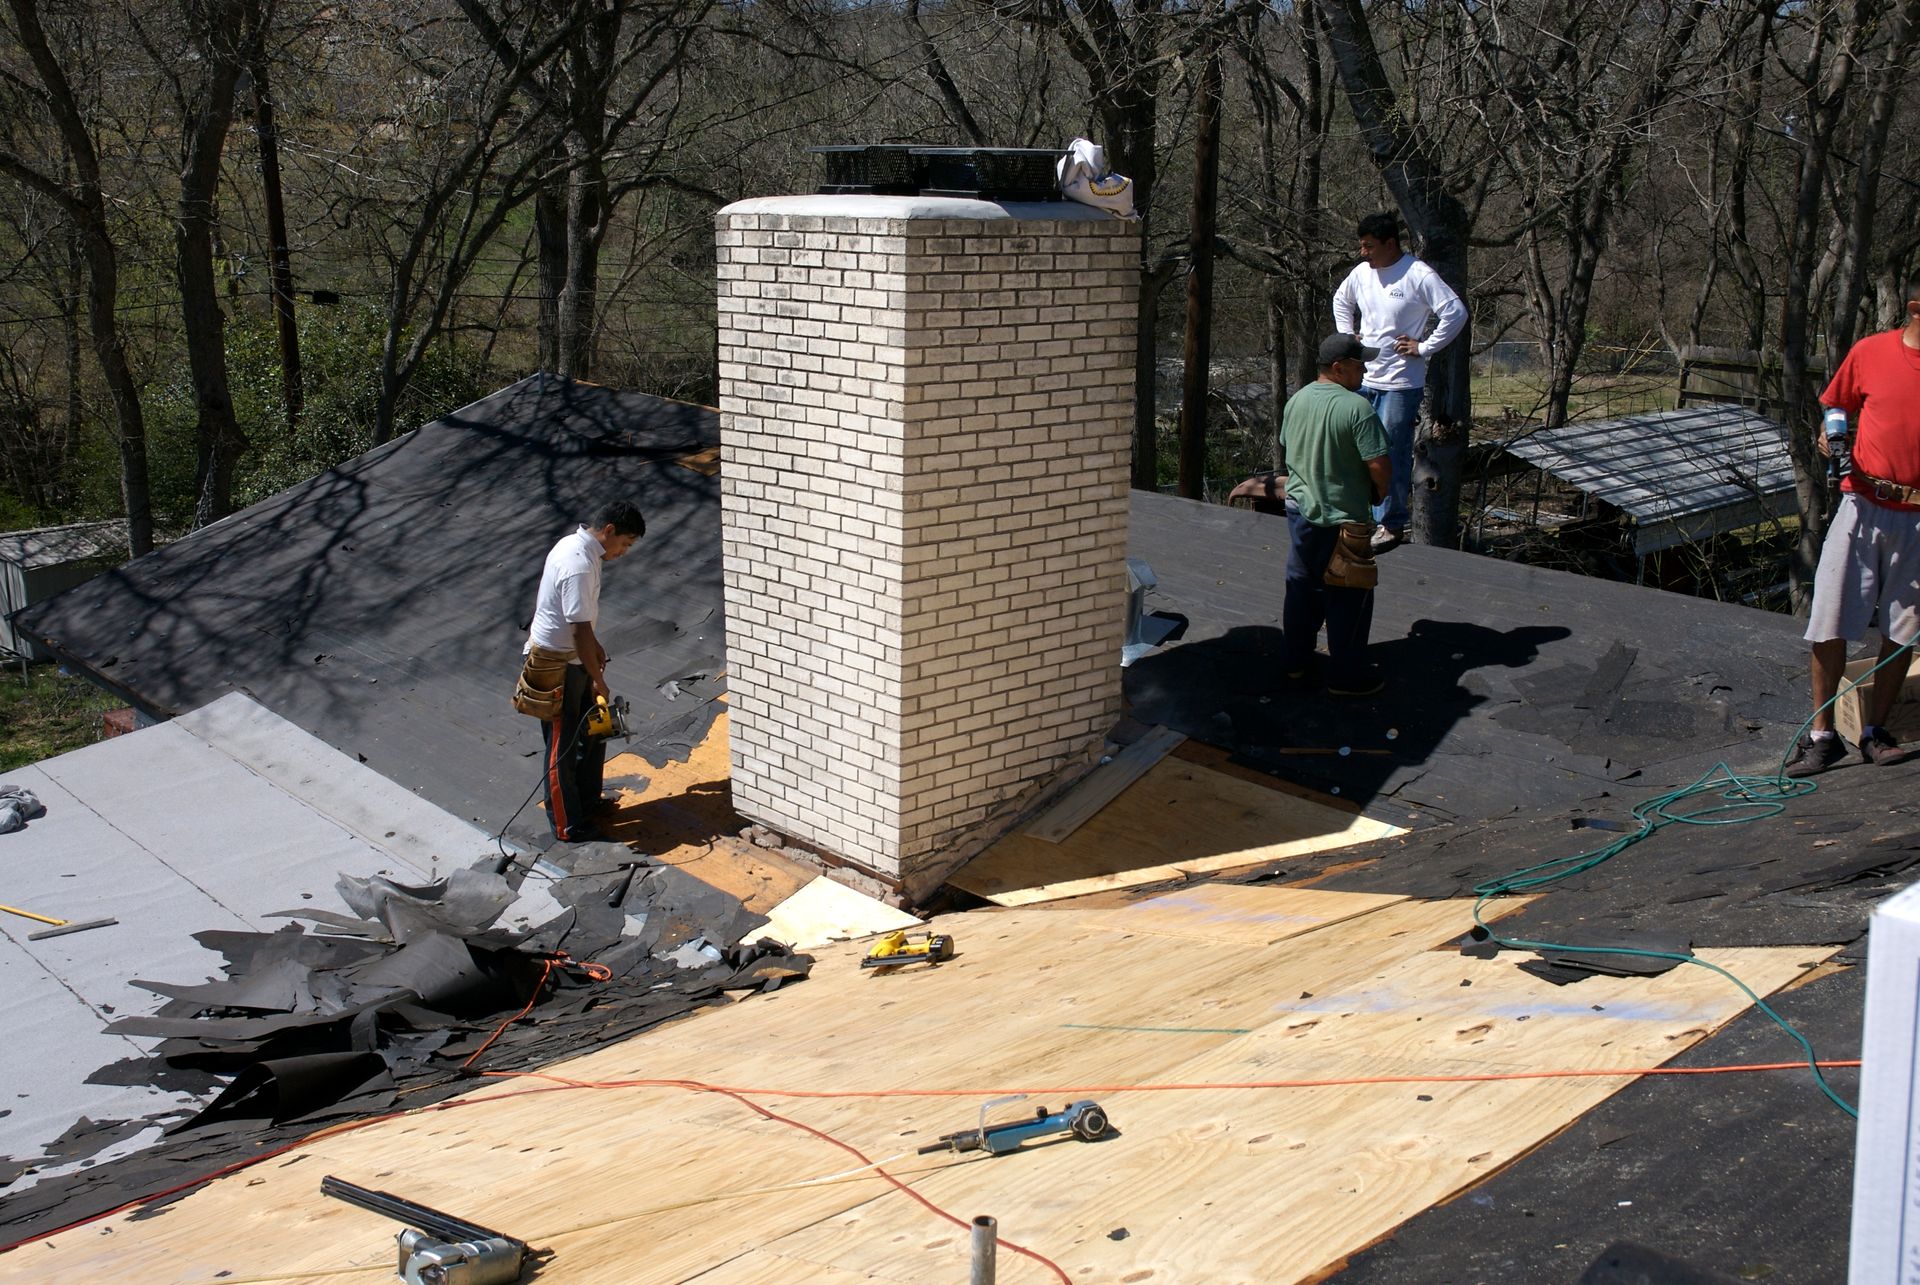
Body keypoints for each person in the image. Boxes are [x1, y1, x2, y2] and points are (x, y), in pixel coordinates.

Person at [1786, 274, 1920, 777]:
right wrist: (1830, 430)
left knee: (1903, 631)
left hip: (1918, 518)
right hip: (1862, 505)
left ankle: (1875, 733)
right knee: (1831, 619)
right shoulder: (1871, 352)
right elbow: (1837, 402)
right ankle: (1823, 738)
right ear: (1916, 308)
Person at [1331, 211, 1468, 553]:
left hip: (1400, 383)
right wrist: (1348, 338)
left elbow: (1455, 312)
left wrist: (1424, 347)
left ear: (1390, 243)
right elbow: (1341, 301)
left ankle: (1390, 524)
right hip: (1364, 377)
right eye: (1362, 246)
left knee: (1390, 451)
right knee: (1356, 448)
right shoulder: (1362, 273)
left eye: (1369, 246)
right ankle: (1357, 516)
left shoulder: (1417, 274)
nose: (1363, 253)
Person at [521, 500, 647, 840]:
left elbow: (580, 623)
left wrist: (596, 647)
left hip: (573, 659)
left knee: (592, 733)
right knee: (561, 747)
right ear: (609, 530)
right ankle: (567, 824)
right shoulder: (578, 564)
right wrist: (597, 679)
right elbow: (577, 630)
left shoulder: (582, 551)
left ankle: (587, 801)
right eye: (625, 543)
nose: (623, 552)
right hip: (556, 667)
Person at [1282, 334, 1394, 697]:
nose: (1365, 371)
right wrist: (1379, 492)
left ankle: (1295, 663)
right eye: (1360, 365)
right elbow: (1378, 464)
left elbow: (1289, 448)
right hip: (1343, 518)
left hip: (1300, 513)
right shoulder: (1357, 408)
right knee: (1349, 595)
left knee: (1302, 589)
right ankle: (1345, 678)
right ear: (1338, 368)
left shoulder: (1297, 400)